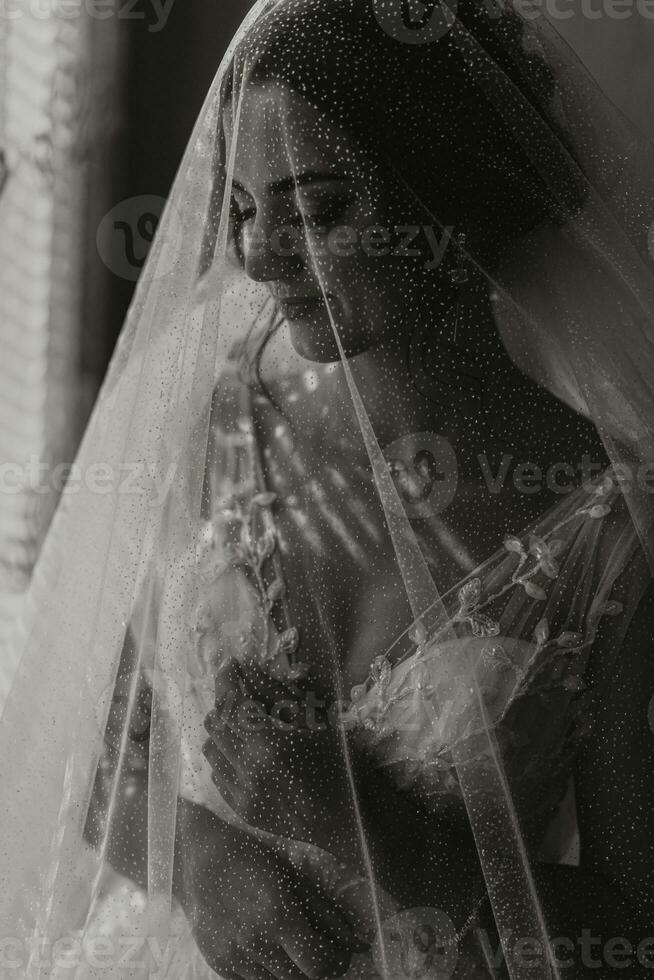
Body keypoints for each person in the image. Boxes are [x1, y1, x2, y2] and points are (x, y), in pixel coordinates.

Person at [1, 1, 654, 978]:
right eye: (247, 207)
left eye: (321, 208)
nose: (259, 256)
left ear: (453, 202)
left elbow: (629, 936)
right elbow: (102, 750)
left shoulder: (606, 527)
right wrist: (200, 860)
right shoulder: (225, 410)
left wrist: (378, 830)